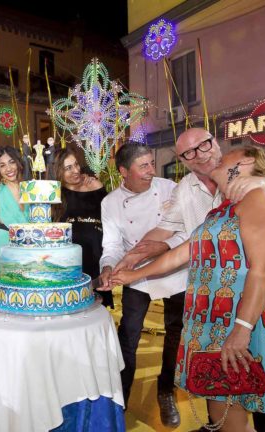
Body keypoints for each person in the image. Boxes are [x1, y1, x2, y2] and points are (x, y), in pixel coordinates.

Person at [111, 128, 265, 432]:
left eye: (205, 145)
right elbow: (177, 244)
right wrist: (131, 267)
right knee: (223, 389)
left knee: (251, 384)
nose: (199, 154)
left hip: (245, 308)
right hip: (212, 308)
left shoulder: (258, 194)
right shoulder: (195, 194)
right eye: (188, 153)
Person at [98, 143, 186, 424]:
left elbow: (186, 231)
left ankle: (165, 390)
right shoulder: (111, 203)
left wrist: (162, 247)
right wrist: (108, 266)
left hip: (175, 268)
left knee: (176, 333)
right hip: (136, 274)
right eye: (143, 166)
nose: (151, 171)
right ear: (124, 171)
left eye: (151, 163)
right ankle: (120, 399)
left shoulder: (170, 188)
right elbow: (112, 244)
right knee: (129, 337)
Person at [51, 147, 113, 308]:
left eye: (76, 165)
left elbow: (110, 217)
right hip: (69, 263)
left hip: (95, 256)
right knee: (70, 306)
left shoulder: (94, 185)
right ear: (58, 172)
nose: (76, 170)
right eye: (68, 168)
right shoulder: (56, 194)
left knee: (97, 307)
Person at [0, 147, 29, 284]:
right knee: (6, 295)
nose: (8, 169)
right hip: (4, 245)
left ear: (19, 163)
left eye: (12, 162)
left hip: (30, 247)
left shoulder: (32, 187)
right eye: (2, 166)